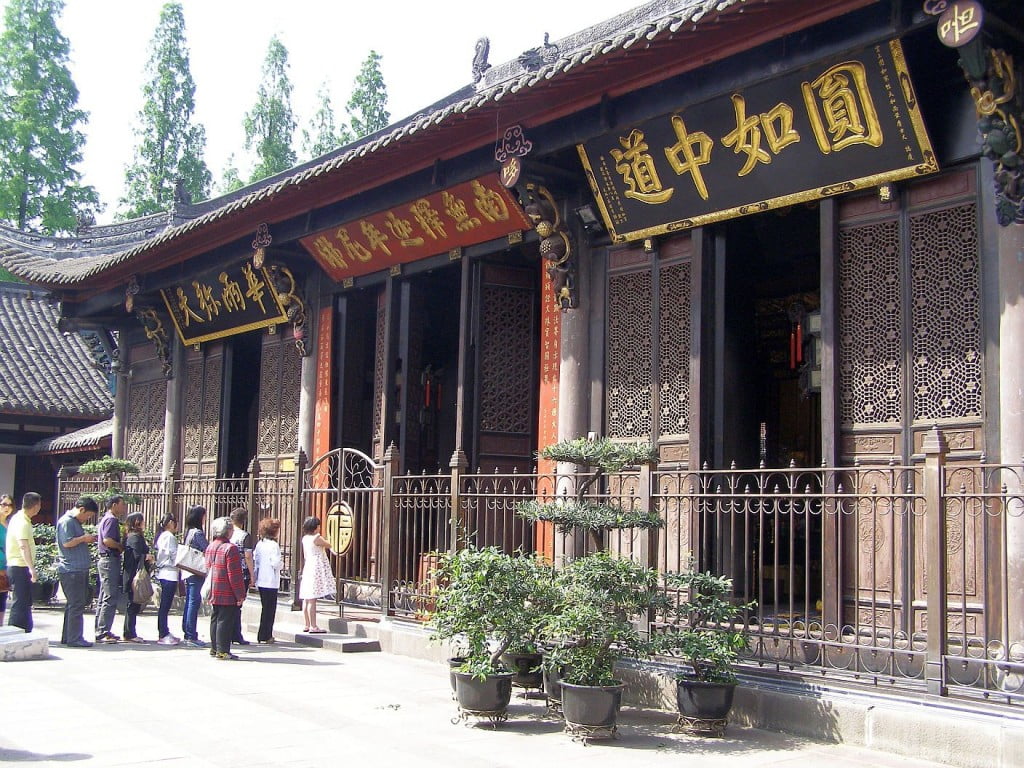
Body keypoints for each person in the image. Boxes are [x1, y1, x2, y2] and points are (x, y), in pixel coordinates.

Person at [56, 497, 99, 647]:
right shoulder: (67, 521)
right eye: (88, 515)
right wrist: (83, 538)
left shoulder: (74, 522)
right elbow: (67, 542)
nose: (87, 519)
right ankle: (74, 638)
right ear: (81, 509)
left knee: (73, 604)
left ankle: (68, 636)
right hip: (71, 569)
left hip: (77, 569)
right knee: (76, 604)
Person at [204, 516, 245, 660]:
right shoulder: (230, 548)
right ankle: (222, 650)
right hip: (227, 589)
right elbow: (234, 574)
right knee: (225, 620)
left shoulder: (211, 546)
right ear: (228, 531)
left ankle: (214, 648)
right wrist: (240, 594)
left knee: (215, 617)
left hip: (214, 587)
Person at [6, 492, 41, 632]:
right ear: (36, 506)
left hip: (19, 565)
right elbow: (23, 546)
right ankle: (15, 631)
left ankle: (26, 630)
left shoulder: (20, 518)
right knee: (20, 602)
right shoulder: (22, 522)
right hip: (19, 566)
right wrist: (31, 568)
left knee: (25, 601)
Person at [94, 495, 127, 643]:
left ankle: (100, 629)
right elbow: (107, 540)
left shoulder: (105, 518)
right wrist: (120, 546)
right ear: (114, 505)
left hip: (105, 560)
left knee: (103, 596)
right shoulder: (111, 520)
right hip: (109, 560)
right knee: (109, 596)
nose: (123, 507)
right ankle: (103, 631)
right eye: (122, 504)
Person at [121, 512, 153, 643]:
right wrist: (146, 557)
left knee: (133, 604)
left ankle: (129, 632)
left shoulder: (132, 536)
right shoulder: (135, 537)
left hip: (132, 574)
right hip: (134, 575)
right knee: (132, 604)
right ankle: (130, 633)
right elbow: (135, 555)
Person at [299, 516, 333, 634]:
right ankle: (313, 626)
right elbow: (329, 544)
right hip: (316, 567)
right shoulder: (316, 538)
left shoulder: (305, 538)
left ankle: (307, 624)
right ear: (315, 527)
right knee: (312, 598)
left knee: (306, 597)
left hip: (308, 566)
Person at [180, 505, 209, 648]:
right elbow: (207, 549)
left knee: (190, 601)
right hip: (196, 571)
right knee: (193, 601)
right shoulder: (197, 533)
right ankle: (191, 635)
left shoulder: (189, 532)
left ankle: (188, 632)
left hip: (188, 570)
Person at [253, 517, 282, 644]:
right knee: (270, 610)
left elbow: (256, 560)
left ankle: (262, 634)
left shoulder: (260, 544)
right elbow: (276, 563)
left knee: (265, 608)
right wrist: (281, 565)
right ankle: (266, 634)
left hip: (261, 579)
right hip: (271, 580)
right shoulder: (274, 545)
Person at [228, 507, 255, 645]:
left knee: (230, 604)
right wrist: (252, 574)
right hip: (241, 572)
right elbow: (248, 556)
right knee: (238, 603)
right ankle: (236, 634)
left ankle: (230, 632)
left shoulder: (227, 534)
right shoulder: (245, 536)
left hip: (228, 571)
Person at [153, 513, 181, 645]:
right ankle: (163, 633)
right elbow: (174, 554)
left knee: (165, 605)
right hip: (169, 572)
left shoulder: (163, 536)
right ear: (170, 523)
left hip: (165, 572)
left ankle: (164, 632)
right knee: (165, 605)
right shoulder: (169, 537)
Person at [0, 493, 14, 627]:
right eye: (4, 504)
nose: (7, 508)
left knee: (2, 598)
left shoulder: (10, 524)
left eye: (10, 505)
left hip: (7, 565)